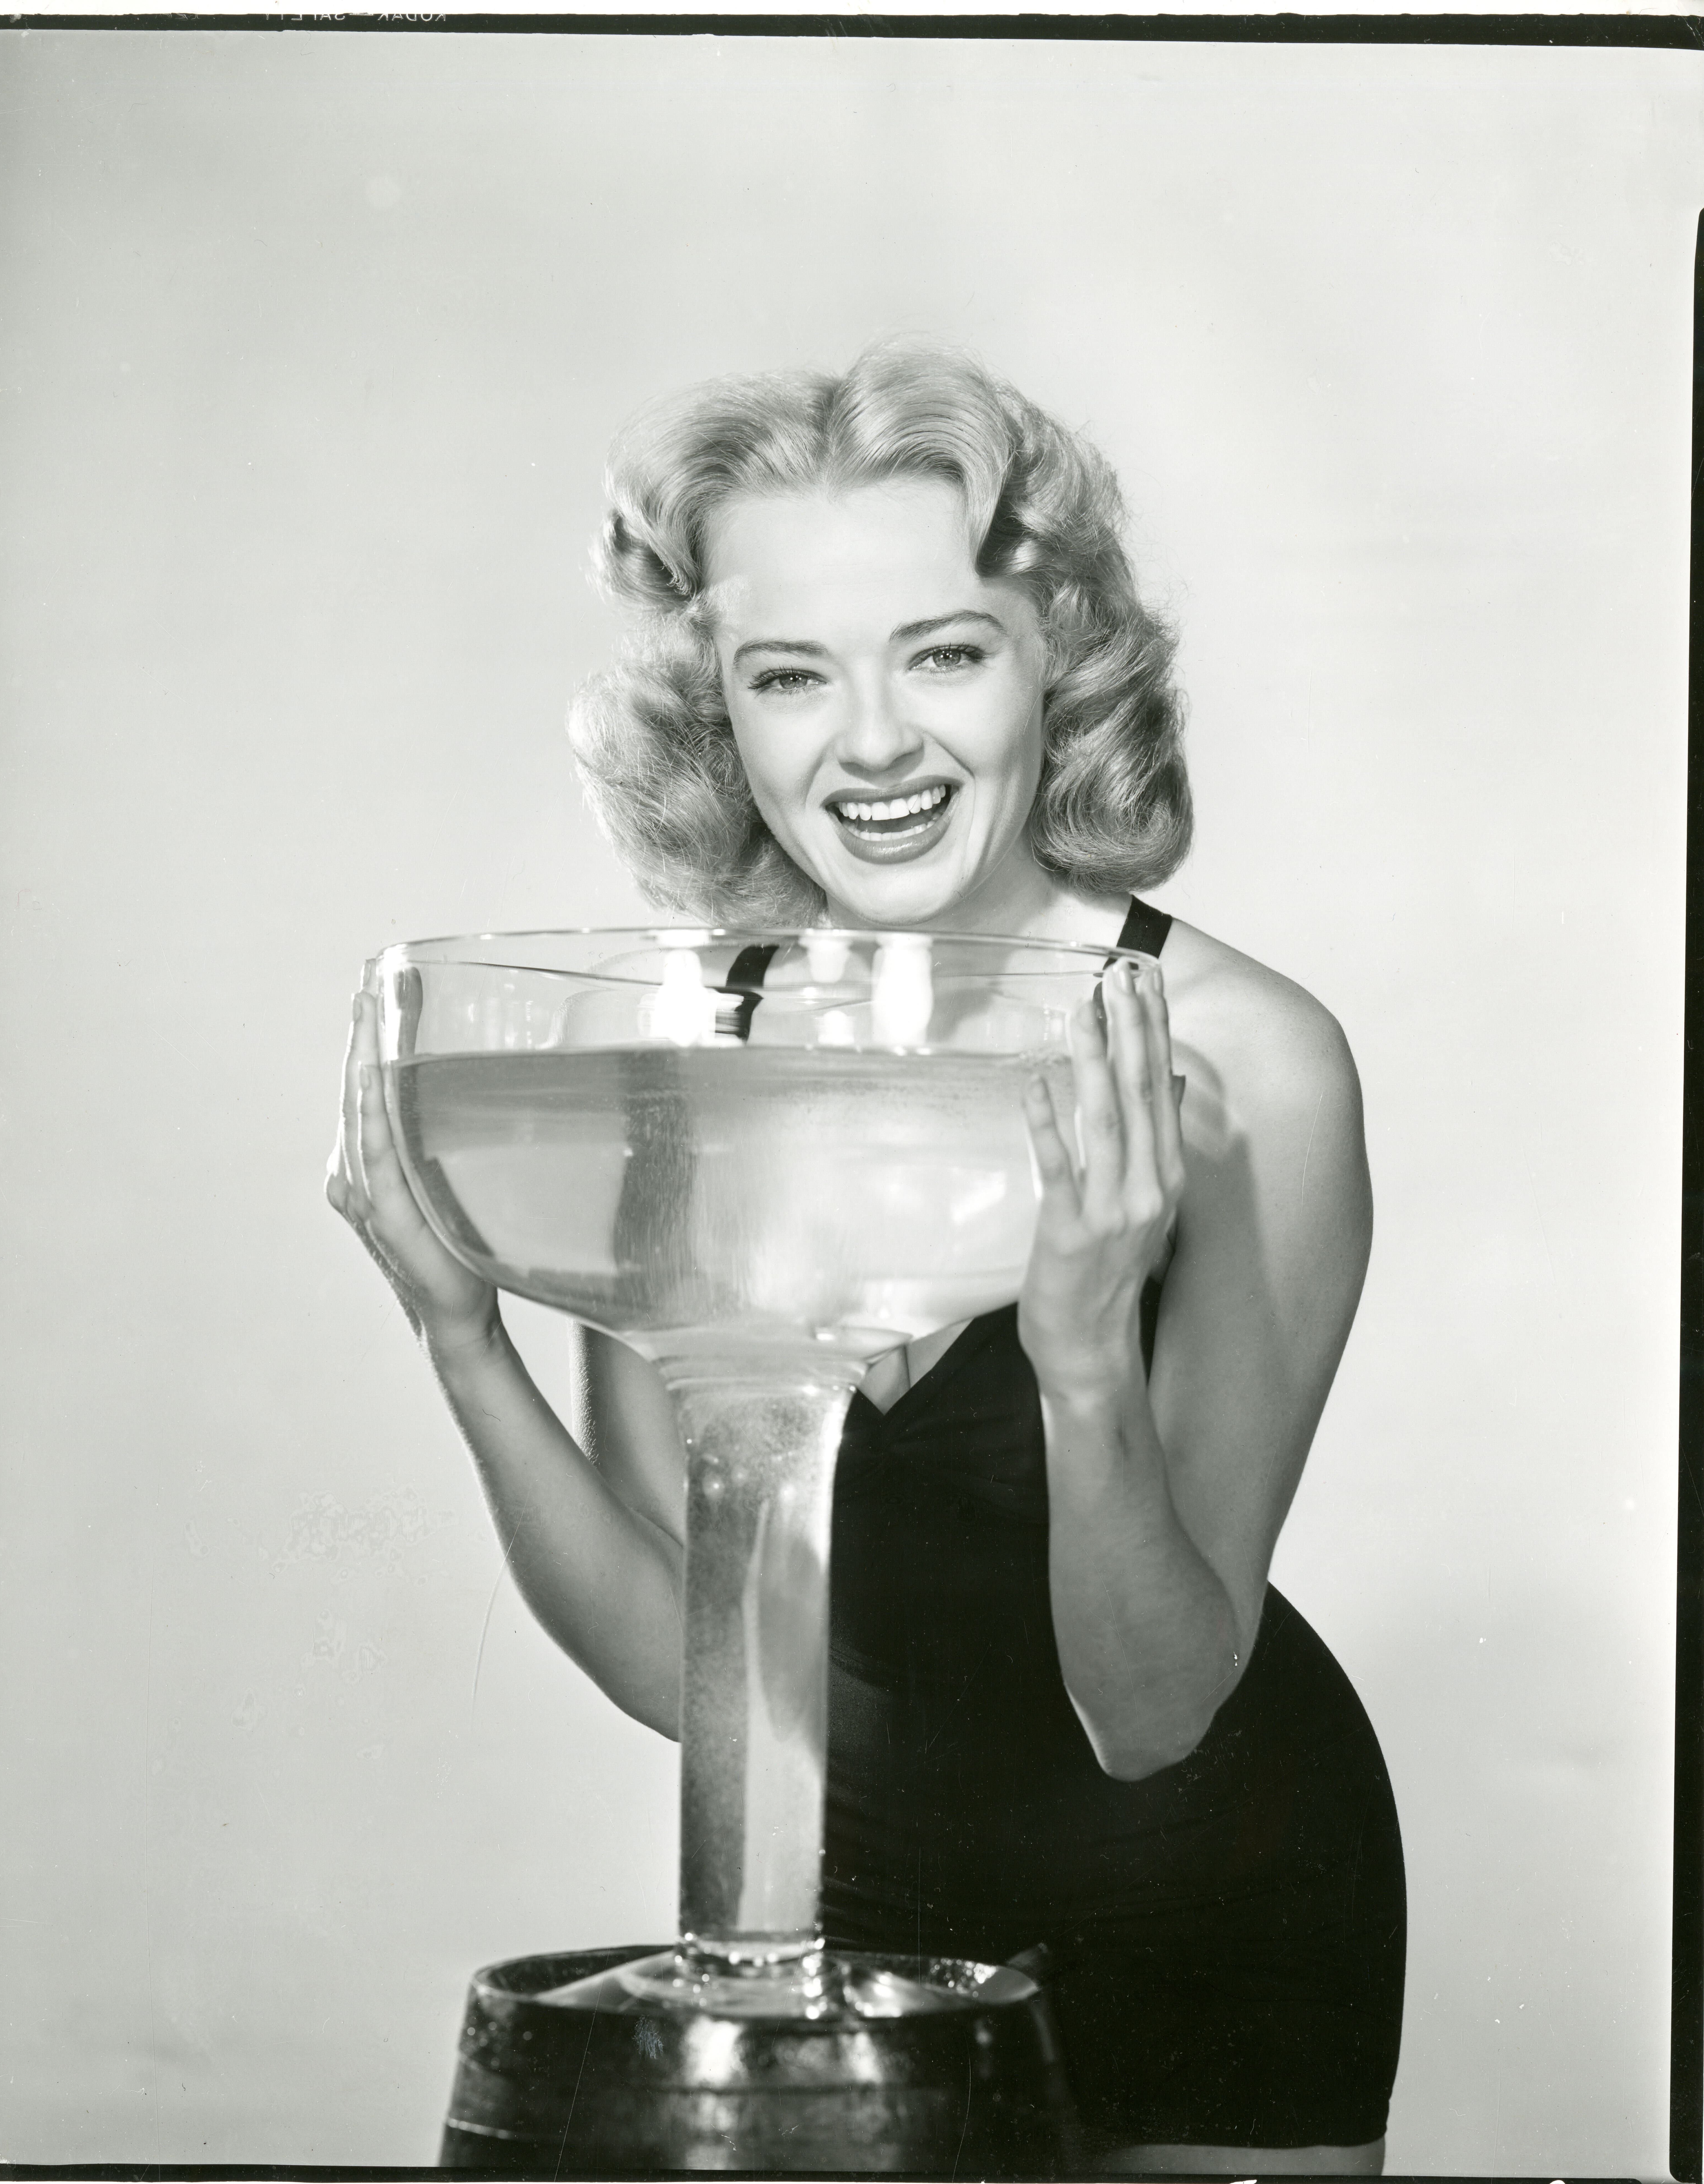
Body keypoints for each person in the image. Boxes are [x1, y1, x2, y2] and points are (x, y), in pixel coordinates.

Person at [327, 343, 1406, 2174]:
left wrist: (1079, 1361)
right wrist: (463, 1342)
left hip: (1209, 1897)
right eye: (790, 676)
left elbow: (1152, 1716)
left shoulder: (1247, 1062)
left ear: (1051, 661)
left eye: (944, 653)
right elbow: (695, 1670)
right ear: (719, 717)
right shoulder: (692, 1052)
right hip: (853, 1896)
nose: (876, 743)